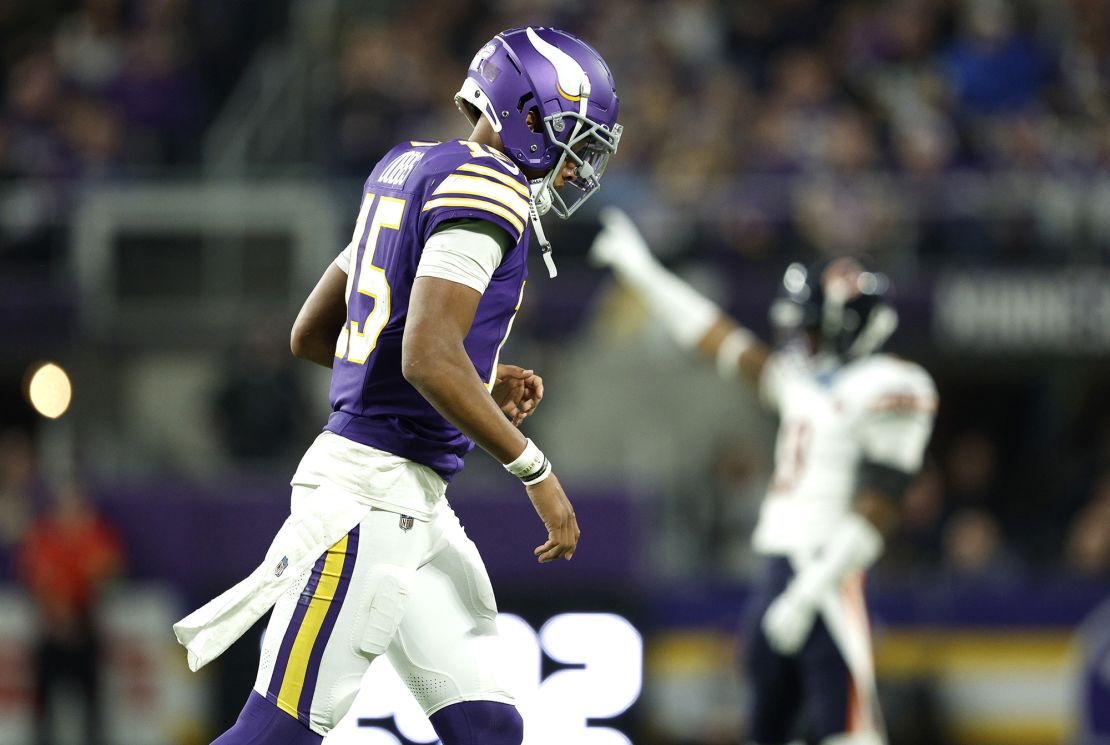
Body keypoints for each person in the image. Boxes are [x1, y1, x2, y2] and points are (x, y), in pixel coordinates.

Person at [174, 26, 622, 745]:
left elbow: (319, 333)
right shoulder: (490, 188)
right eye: (575, 136)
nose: (577, 166)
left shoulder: (410, 165)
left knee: (489, 727)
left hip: (413, 503)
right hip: (369, 500)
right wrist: (534, 469)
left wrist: (473, 376)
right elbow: (426, 358)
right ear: (529, 112)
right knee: (276, 732)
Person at [591, 209, 937, 745]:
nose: (804, 339)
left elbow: (877, 512)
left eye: (815, 328)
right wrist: (643, 272)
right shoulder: (805, 381)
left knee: (848, 733)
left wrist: (806, 595)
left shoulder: (894, 385)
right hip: (776, 570)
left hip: (825, 577)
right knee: (766, 730)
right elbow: (716, 335)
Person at [17, 480, 125, 745]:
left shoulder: (96, 536)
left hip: (84, 629)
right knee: (44, 706)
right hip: (52, 632)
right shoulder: (43, 537)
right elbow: (35, 582)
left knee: (92, 705)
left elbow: (111, 577)